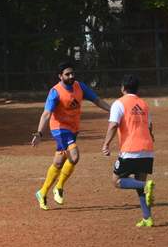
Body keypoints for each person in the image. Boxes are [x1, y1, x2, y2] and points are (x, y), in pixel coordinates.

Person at [31, 62, 111, 210]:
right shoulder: (55, 92)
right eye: (67, 74)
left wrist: (112, 110)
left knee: (59, 162)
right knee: (74, 156)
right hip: (60, 129)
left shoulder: (79, 87)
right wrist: (39, 133)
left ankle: (42, 193)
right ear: (60, 76)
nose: (71, 76)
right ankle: (59, 187)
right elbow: (46, 113)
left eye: (72, 73)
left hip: (73, 128)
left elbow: (97, 100)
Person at [101, 75, 155, 227]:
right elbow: (149, 127)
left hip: (130, 150)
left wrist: (106, 144)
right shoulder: (144, 104)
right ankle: (147, 218)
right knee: (139, 182)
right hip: (147, 149)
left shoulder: (119, 103)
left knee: (117, 181)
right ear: (137, 89)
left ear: (123, 88)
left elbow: (113, 125)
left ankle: (146, 186)